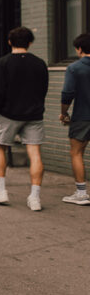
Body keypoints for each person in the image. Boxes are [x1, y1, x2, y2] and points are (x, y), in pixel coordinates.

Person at [0, 26, 49, 210]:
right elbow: (43, 89)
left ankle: (1, 190)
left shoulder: (1, 63)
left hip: (6, 114)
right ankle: (35, 197)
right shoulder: (39, 63)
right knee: (35, 154)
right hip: (34, 114)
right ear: (30, 43)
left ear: (10, 42)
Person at [59, 32, 90, 206]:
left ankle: (81, 193)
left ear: (79, 49)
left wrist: (64, 114)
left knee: (77, 153)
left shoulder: (75, 68)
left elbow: (67, 93)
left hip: (83, 117)